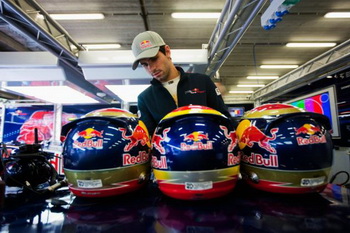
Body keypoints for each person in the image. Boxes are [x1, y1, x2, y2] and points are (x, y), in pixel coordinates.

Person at [131, 31, 231, 135]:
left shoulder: (202, 82)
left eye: (154, 59)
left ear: (167, 52)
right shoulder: (145, 98)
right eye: (145, 64)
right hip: (169, 151)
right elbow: (149, 138)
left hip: (209, 148)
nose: (151, 68)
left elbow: (225, 120)